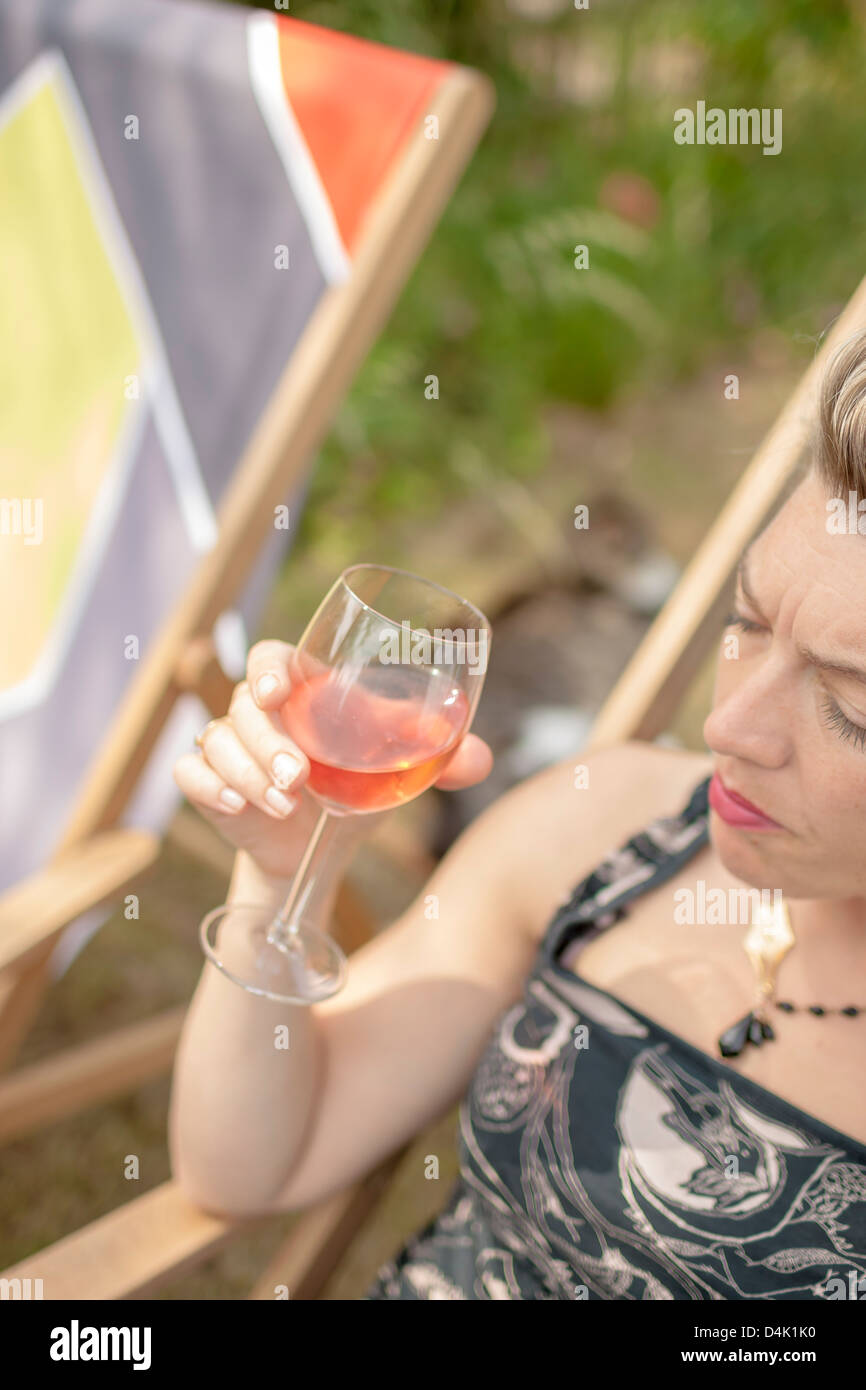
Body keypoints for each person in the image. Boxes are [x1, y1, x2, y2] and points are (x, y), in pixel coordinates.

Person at [168, 331, 866, 1300]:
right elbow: (247, 1166)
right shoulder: (611, 831)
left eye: (847, 705)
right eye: (743, 626)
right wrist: (288, 873)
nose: (725, 724)